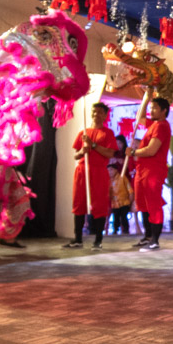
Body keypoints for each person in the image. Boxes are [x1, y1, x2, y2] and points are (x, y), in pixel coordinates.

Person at [63, 102, 116, 250]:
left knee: (99, 204)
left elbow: (110, 153)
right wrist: (83, 151)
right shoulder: (83, 133)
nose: (96, 115)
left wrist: (93, 146)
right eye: (94, 111)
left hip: (99, 171)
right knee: (79, 203)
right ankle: (77, 239)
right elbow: (76, 155)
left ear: (105, 115)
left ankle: (98, 239)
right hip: (82, 170)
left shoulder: (108, 133)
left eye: (100, 112)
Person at [127, 95, 172, 251]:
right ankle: (147, 236)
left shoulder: (161, 126)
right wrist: (146, 98)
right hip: (142, 170)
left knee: (153, 205)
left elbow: (152, 150)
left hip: (153, 170)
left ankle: (155, 240)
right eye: (151, 108)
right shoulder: (153, 124)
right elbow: (139, 117)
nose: (151, 110)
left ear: (164, 111)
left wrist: (133, 151)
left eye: (155, 108)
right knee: (143, 205)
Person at [109, 135, 132, 234]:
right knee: (116, 214)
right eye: (116, 143)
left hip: (124, 179)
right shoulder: (112, 153)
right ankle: (115, 228)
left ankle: (125, 228)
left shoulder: (126, 154)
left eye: (120, 143)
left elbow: (130, 165)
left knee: (124, 213)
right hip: (114, 181)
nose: (118, 145)